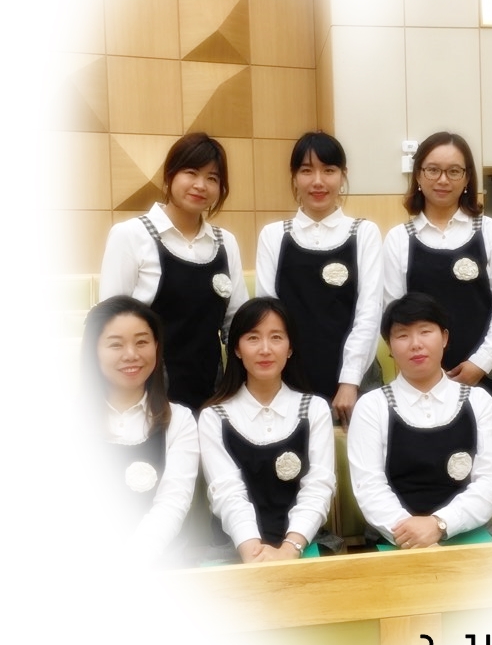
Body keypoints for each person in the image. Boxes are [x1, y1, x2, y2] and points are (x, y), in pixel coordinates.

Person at [99, 132, 248, 413]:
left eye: (212, 178)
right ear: (170, 176)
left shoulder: (225, 242)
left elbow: (236, 324)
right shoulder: (131, 235)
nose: (200, 185)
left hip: (211, 393)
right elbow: (110, 324)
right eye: (191, 173)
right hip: (148, 395)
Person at [347, 293, 492, 549]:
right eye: (402, 335)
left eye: (425, 332)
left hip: (467, 533)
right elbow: (369, 487)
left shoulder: (478, 401)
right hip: (395, 539)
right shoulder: (371, 406)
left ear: (444, 338)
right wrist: (413, 536)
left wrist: (439, 525)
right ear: (389, 347)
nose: (416, 344)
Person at [383, 131, 492, 414]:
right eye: (433, 170)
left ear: (467, 177)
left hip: (489, 374)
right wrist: (429, 372)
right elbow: (393, 314)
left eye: (454, 171)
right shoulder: (399, 238)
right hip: (423, 380)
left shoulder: (489, 231)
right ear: (418, 175)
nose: (443, 179)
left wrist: (480, 363)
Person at [255, 131, 383, 429]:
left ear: (343, 175)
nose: (317, 181)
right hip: (290, 380)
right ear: (294, 177)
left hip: (355, 380)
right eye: (306, 170)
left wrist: (350, 381)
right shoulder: (274, 235)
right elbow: (268, 317)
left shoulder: (363, 233)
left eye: (328, 170)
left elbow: (369, 312)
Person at [198, 297, 336, 562]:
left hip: (303, 543)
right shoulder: (214, 416)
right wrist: (254, 553)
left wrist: (289, 549)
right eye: (253, 338)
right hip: (236, 548)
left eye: (276, 338)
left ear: (290, 348)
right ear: (237, 349)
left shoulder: (314, 408)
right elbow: (227, 494)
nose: (265, 349)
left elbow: (318, 487)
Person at [80, 295, 200, 563]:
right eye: (115, 344)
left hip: (159, 565)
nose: (131, 355)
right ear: (94, 351)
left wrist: (132, 561)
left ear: (157, 347)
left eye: (142, 342)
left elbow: (173, 502)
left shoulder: (179, 420)